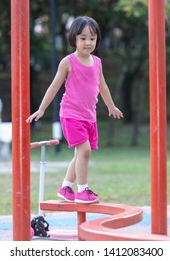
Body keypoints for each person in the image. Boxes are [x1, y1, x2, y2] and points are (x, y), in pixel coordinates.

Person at [26, 16, 123, 204]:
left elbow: (102, 86)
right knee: (84, 151)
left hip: (89, 116)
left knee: (80, 153)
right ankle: (82, 191)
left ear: (97, 40)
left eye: (92, 38)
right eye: (83, 38)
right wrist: (41, 109)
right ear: (74, 39)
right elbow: (54, 86)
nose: (88, 42)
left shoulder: (97, 62)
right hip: (71, 115)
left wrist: (111, 106)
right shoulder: (68, 62)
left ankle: (65, 187)